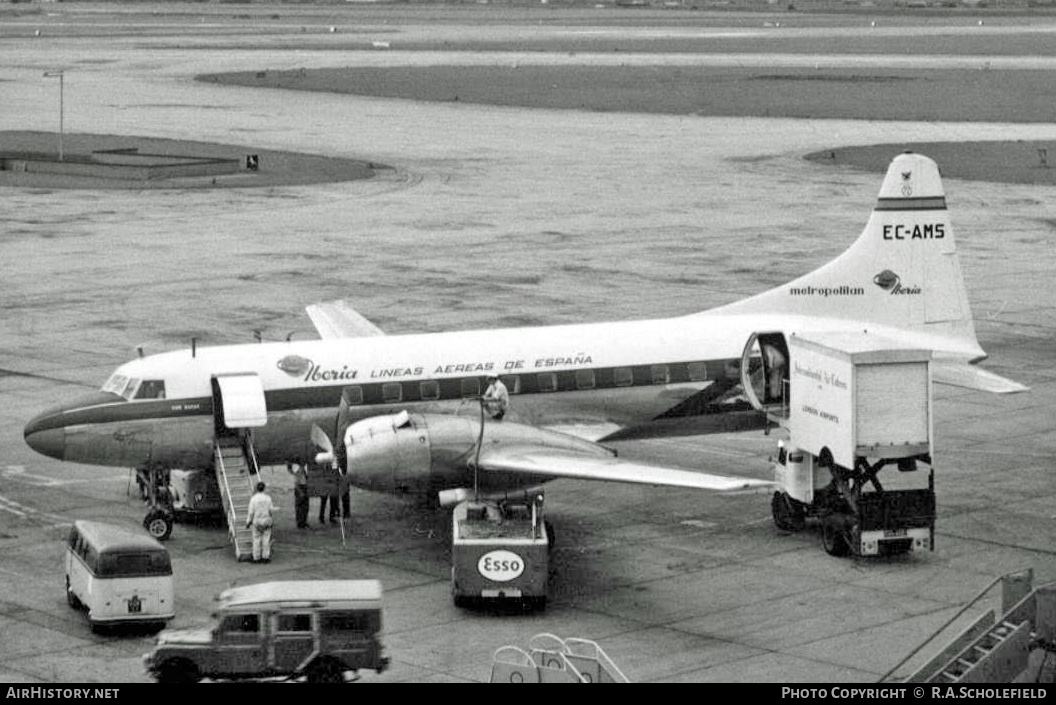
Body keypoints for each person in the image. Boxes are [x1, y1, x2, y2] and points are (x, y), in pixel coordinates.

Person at [245, 481, 274, 563]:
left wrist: (248, 522)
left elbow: (251, 512)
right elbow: (271, 510)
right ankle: (265, 557)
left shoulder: (253, 499)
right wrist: (271, 519)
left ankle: (256, 557)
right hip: (266, 520)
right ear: (264, 488)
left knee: (256, 539)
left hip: (257, 521)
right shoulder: (268, 498)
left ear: (257, 489)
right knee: (266, 539)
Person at [286, 462, 309, 529]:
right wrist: (301, 492)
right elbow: (296, 484)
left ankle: (304, 522)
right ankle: (300, 523)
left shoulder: (304, 471)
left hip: (304, 488)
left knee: (305, 507)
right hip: (300, 489)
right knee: (300, 508)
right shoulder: (299, 472)